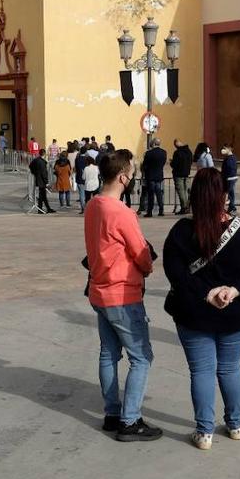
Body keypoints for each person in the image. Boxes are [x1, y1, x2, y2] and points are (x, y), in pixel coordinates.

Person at [161, 167, 240, 450]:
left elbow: (176, 274)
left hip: (193, 314)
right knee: (230, 368)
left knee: (202, 372)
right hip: (233, 312)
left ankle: (204, 432)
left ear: (194, 196)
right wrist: (233, 290)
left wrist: (206, 294)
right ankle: (235, 425)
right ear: (223, 195)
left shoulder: (182, 232)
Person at [84, 149, 161, 441]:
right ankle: (130, 420)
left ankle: (113, 412)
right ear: (122, 177)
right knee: (141, 356)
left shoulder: (94, 205)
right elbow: (141, 253)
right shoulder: (121, 212)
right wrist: (147, 266)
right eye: (130, 174)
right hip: (123, 293)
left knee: (108, 353)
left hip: (99, 289)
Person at [139, 138, 167, 218]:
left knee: (151, 194)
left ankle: (150, 211)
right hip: (159, 175)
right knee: (159, 194)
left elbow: (145, 165)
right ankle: (161, 210)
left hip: (150, 176)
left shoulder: (149, 153)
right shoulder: (164, 152)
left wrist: (145, 169)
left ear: (153, 144)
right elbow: (163, 163)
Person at [170, 139, 193, 215]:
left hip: (178, 174)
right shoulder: (189, 152)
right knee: (188, 191)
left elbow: (174, 164)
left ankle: (184, 207)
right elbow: (191, 162)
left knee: (181, 192)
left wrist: (171, 162)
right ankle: (188, 207)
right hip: (187, 174)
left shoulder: (177, 153)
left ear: (176, 145)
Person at [29, 148, 54, 213]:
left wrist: (34, 172)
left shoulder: (36, 160)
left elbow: (30, 166)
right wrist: (46, 182)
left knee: (42, 195)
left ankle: (44, 208)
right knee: (42, 195)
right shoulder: (42, 162)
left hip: (38, 179)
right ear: (44, 154)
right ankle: (44, 208)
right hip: (42, 181)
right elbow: (44, 173)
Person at [220, 146, 239, 213]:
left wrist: (223, 175)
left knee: (227, 193)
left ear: (229, 149)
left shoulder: (229, 159)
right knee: (231, 193)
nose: (223, 150)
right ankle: (231, 208)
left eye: (225, 148)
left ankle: (233, 208)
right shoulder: (232, 157)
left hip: (229, 178)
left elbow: (228, 169)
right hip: (232, 178)